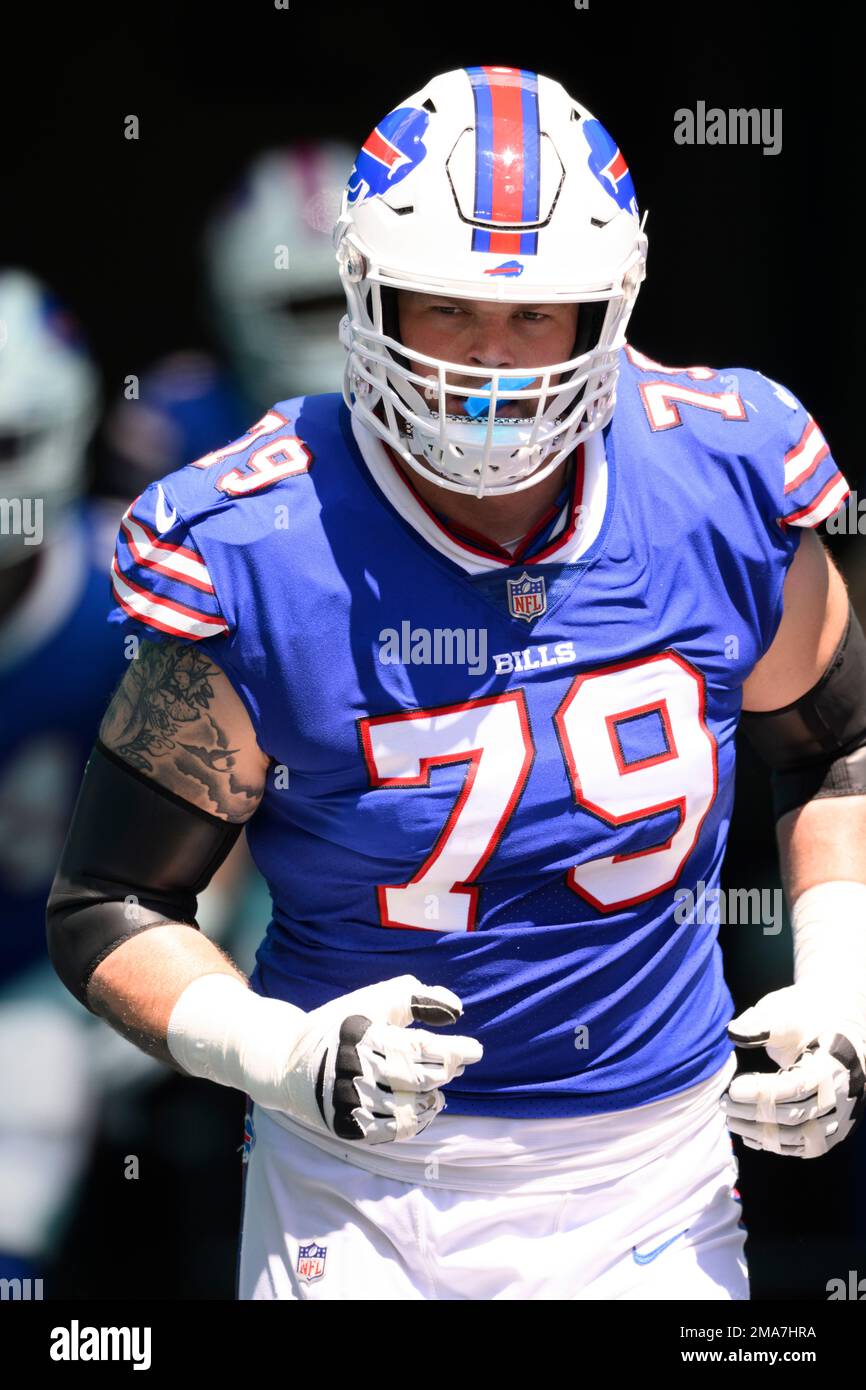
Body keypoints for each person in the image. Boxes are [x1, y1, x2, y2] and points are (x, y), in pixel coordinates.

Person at [47, 66, 866, 1301]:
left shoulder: (724, 475)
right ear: (366, 295)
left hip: (653, 1171)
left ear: (610, 308)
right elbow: (108, 902)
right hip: (360, 1186)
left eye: (535, 316)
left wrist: (841, 984)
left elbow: (832, 749)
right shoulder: (256, 541)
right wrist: (278, 1050)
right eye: (445, 310)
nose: (489, 365)